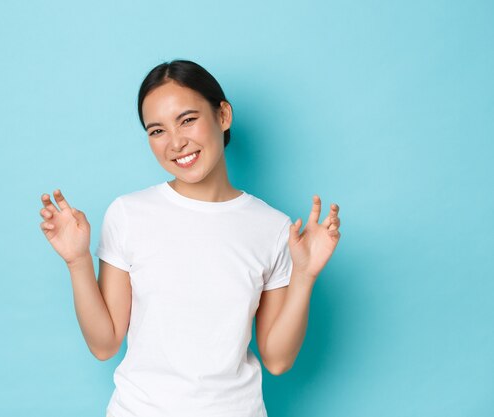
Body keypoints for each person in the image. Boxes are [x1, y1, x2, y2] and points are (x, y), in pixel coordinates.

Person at [38, 59, 341, 417]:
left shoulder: (272, 227)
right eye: (157, 130)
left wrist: (304, 276)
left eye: (188, 120)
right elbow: (104, 345)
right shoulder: (128, 214)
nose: (176, 142)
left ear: (223, 115)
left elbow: (277, 360)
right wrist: (77, 262)